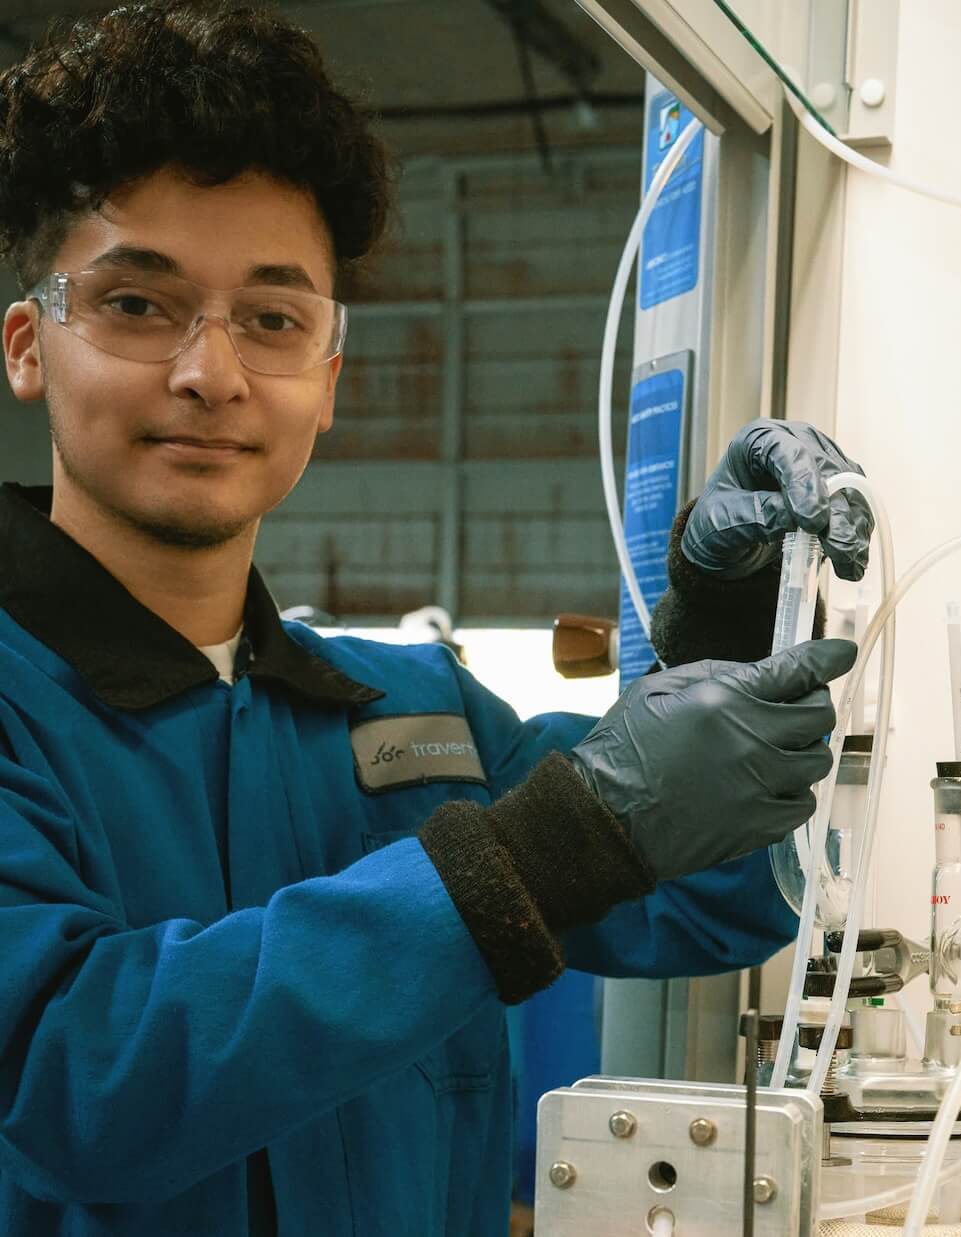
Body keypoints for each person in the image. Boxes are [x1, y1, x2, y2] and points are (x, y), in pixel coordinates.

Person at [0, 3, 873, 1234]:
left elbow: (715, 896)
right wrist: (542, 851)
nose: (211, 373)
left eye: (273, 319)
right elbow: (74, 1078)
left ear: (328, 379)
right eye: (138, 304)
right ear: (29, 346)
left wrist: (726, 632)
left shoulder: (416, 712)